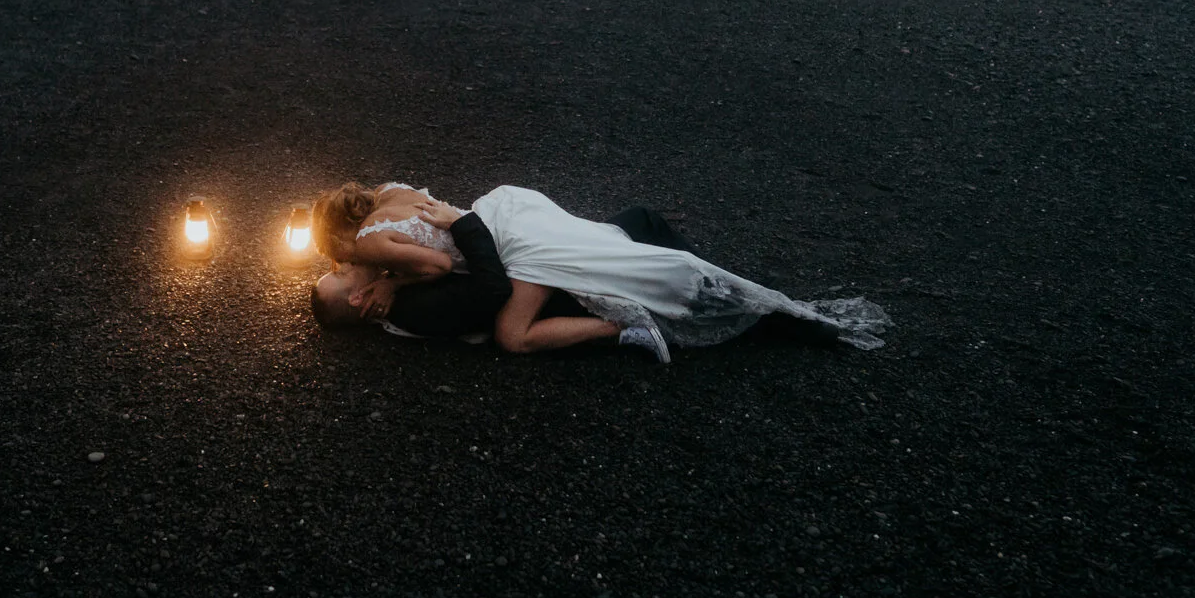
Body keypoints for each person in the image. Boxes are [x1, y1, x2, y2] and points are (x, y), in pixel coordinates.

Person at [309, 181, 888, 361]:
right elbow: (437, 246)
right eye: (340, 273)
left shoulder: (373, 248)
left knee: (515, 336)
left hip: (499, 240)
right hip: (503, 209)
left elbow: (445, 264)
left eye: (338, 263)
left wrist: (393, 273)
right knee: (612, 247)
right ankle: (751, 302)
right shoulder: (389, 192)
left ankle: (635, 319)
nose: (344, 265)